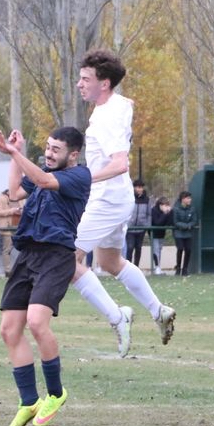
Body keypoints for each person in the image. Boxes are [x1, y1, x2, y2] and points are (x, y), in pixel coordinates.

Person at [71, 49, 175, 358]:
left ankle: (118, 317)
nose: (79, 84)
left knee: (65, 260)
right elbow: (126, 104)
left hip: (107, 199)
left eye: (85, 78)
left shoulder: (107, 116)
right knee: (109, 263)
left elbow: (119, 164)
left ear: (104, 84)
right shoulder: (114, 105)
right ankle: (158, 310)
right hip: (116, 198)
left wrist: (84, 179)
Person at [0, 126, 91, 426]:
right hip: (28, 256)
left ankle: (56, 393)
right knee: (9, 329)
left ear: (72, 154)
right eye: (47, 147)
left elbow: (43, 181)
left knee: (37, 322)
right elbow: (14, 194)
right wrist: (14, 153)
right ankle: (28, 401)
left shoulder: (79, 176)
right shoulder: (41, 169)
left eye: (55, 150)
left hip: (56, 256)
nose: (48, 153)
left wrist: (15, 153)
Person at [0, 189, 24, 277]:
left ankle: (21, 270)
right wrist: (11, 211)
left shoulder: (21, 197)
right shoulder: (2, 198)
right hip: (7, 227)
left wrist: (20, 211)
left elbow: (25, 209)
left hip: (19, 226)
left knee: (23, 249)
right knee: (7, 250)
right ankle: (7, 271)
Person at [124, 180, 151, 266]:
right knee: (130, 247)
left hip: (141, 229)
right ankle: (128, 266)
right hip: (130, 228)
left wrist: (147, 225)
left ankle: (136, 267)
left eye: (141, 187)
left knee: (138, 248)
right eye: (138, 187)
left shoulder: (147, 199)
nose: (140, 189)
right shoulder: (129, 198)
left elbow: (149, 214)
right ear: (134, 188)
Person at [173, 191, 197, 276]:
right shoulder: (176, 208)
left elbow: (194, 221)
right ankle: (178, 268)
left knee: (188, 250)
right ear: (183, 199)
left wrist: (189, 225)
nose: (190, 200)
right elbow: (175, 222)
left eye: (190, 198)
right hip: (178, 233)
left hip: (188, 234)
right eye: (188, 198)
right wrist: (185, 226)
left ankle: (185, 269)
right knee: (180, 249)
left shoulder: (192, 208)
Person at [150, 197, 173, 275]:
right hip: (154, 234)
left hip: (161, 233)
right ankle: (156, 267)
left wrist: (169, 213)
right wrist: (164, 214)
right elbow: (157, 223)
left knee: (159, 250)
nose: (165, 207)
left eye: (167, 205)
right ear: (160, 205)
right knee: (156, 250)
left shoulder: (166, 212)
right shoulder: (154, 210)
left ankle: (158, 267)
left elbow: (169, 223)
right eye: (164, 205)